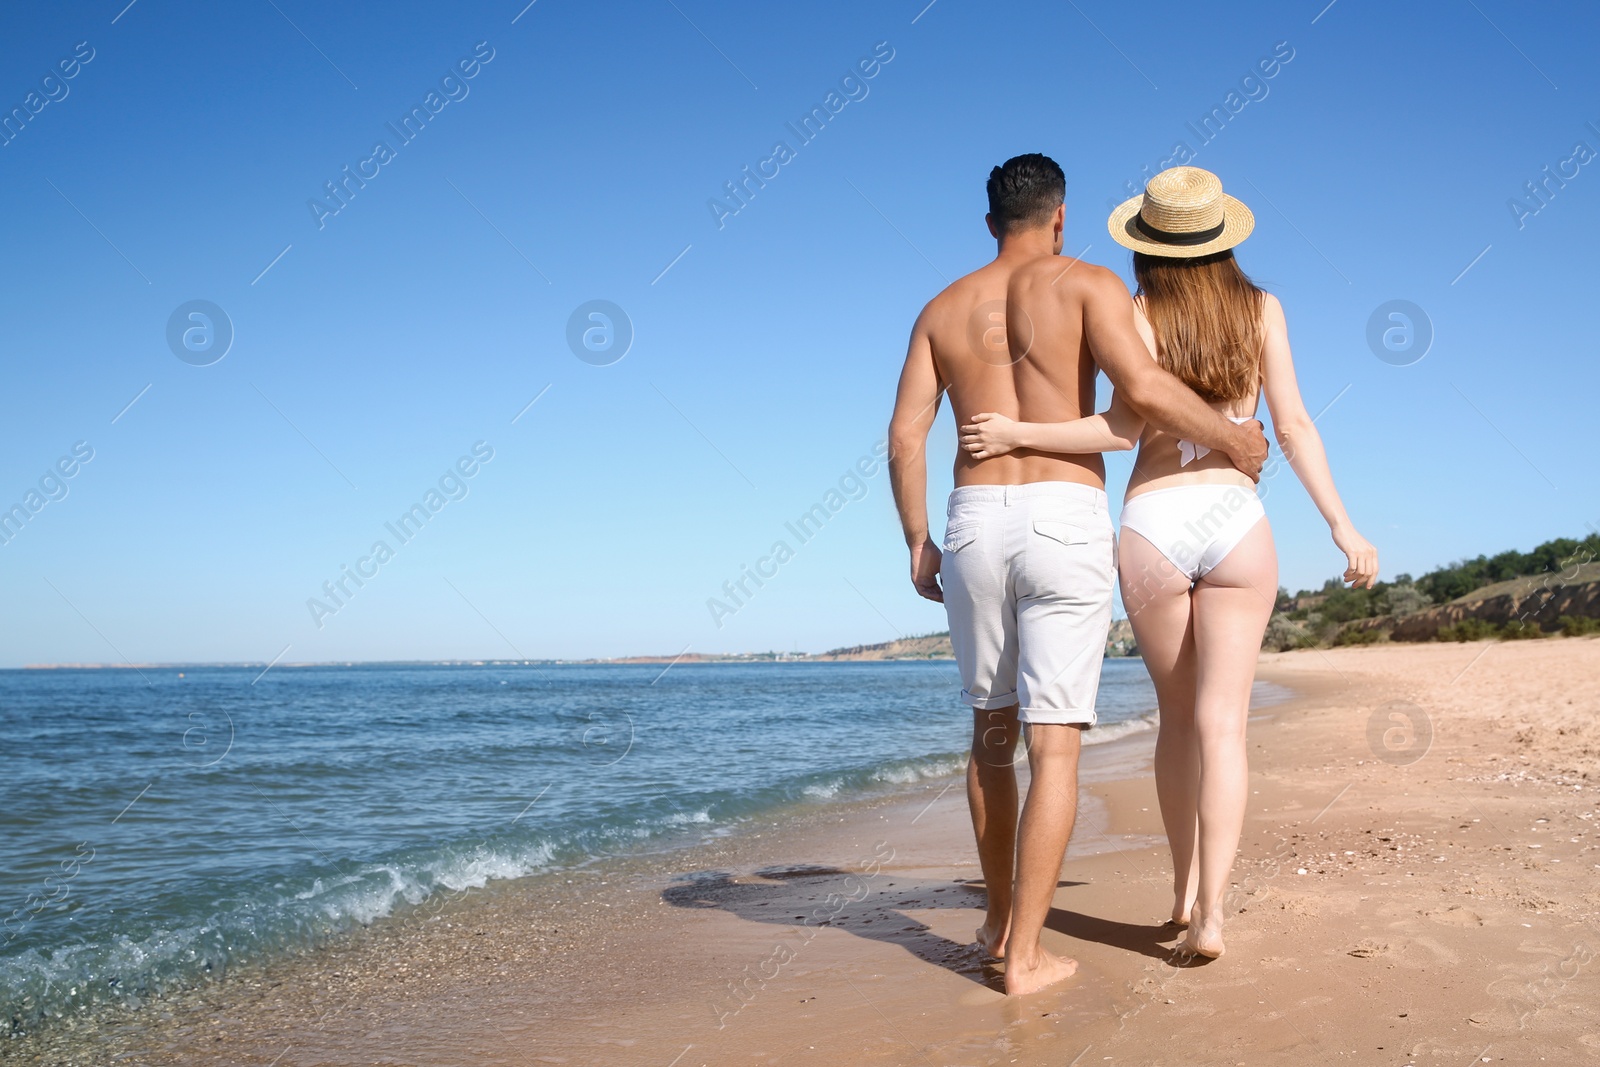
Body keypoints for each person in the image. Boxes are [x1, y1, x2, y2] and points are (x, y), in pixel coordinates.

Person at [959, 165, 1378, 960]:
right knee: (1225, 726)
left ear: (1147, 244)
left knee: (1177, 720)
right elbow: (1292, 426)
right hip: (1236, 523)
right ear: (1222, 234)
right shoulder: (1263, 310)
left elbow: (1118, 429)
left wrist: (1019, 436)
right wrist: (1342, 524)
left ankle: (1182, 893)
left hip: (1152, 526)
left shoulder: (1139, 311)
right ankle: (1214, 914)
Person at [886, 154, 1269, 995]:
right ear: (1060, 218)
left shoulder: (942, 309)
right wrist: (1235, 438)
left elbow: (906, 436)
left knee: (991, 736)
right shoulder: (1090, 282)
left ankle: (996, 921)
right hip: (1063, 517)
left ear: (991, 223)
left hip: (975, 519)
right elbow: (1141, 391)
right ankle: (1023, 956)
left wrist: (918, 541)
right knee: (1053, 746)